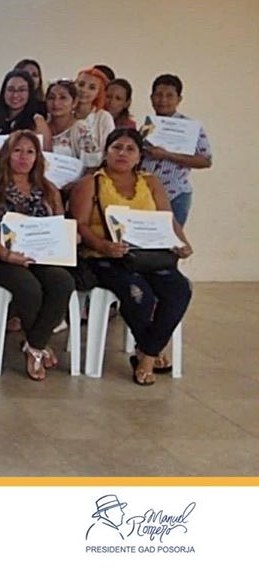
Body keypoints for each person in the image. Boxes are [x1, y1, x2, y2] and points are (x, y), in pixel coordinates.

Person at [69, 128, 193, 386]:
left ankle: (146, 351)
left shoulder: (151, 182)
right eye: (116, 148)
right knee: (139, 294)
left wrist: (181, 242)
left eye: (130, 149)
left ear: (139, 156)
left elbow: (167, 218)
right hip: (105, 257)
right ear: (106, 152)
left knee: (180, 289)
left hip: (149, 255)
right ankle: (150, 356)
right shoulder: (90, 183)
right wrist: (103, 245)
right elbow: (79, 224)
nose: (122, 154)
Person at [0, 130, 74, 381]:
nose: (23, 157)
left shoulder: (49, 189)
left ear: (38, 157)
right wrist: (7, 255)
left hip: (41, 257)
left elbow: (58, 225)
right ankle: (40, 345)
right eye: (17, 151)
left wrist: (70, 238)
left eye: (30, 152)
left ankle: (35, 345)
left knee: (63, 281)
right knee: (29, 287)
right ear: (6, 154)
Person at [140, 74, 212, 226]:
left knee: (171, 238)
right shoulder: (147, 126)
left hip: (175, 195)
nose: (163, 100)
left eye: (169, 95)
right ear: (151, 98)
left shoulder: (191, 127)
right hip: (145, 193)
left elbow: (206, 161)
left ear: (179, 99)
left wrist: (167, 155)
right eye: (158, 95)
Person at [0, 69, 53, 151]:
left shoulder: (37, 122)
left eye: (22, 90)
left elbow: (47, 155)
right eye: (10, 89)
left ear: (29, 93)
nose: (15, 95)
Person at [45, 79, 102, 168]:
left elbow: (92, 166)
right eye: (51, 98)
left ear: (74, 102)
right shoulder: (40, 126)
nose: (56, 103)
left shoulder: (81, 129)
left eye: (63, 98)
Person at [73, 67, 115, 154]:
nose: (84, 90)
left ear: (98, 93)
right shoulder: (63, 112)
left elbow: (108, 150)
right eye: (81, 84)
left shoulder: (104, 118)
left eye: (92, 88)